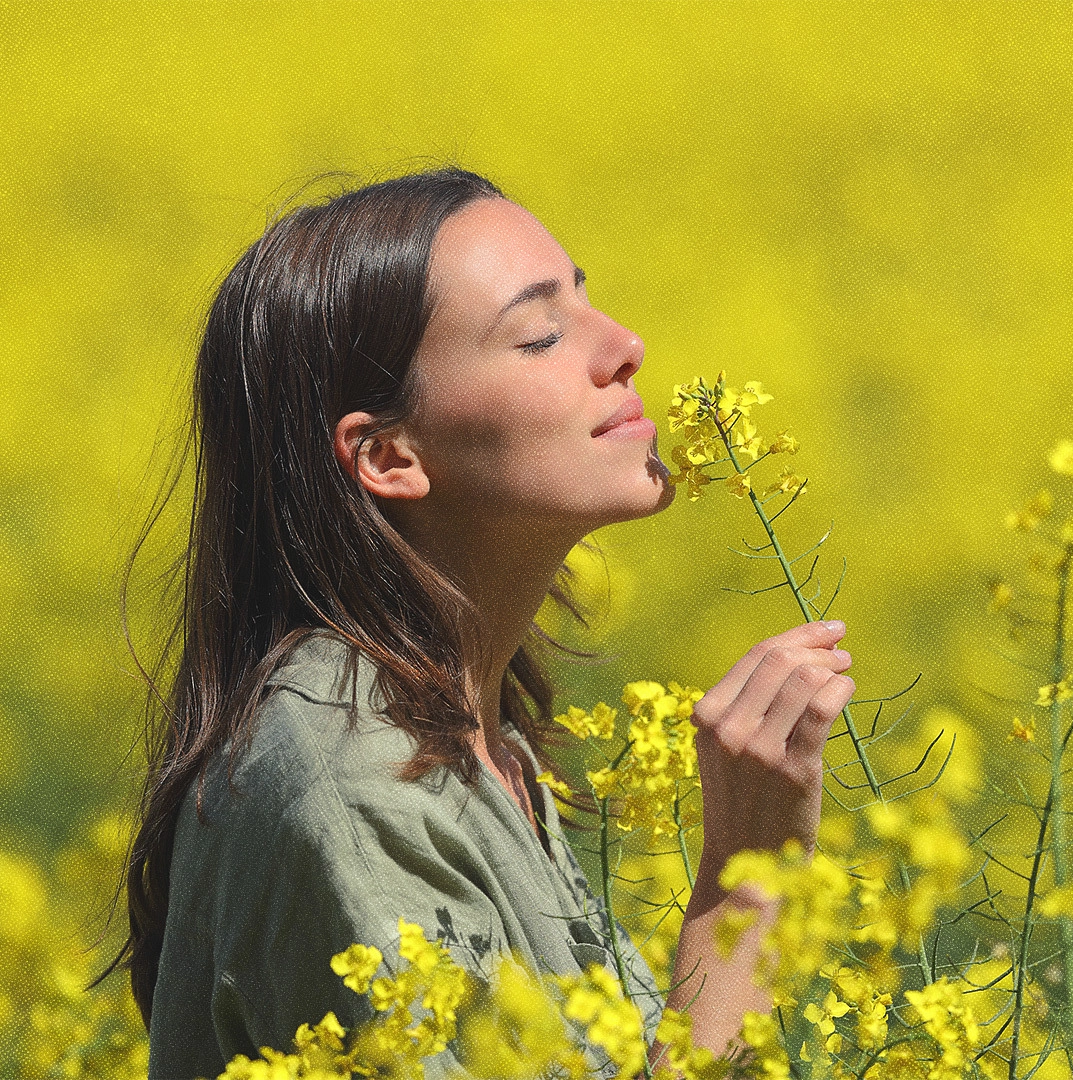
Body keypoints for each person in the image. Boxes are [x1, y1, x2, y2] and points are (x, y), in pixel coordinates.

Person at [108, 167, 855, 1078]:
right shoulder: (347, 783)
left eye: (586, 301)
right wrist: (749, 883)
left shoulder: (467, 736)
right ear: (388, 456)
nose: (625, 346)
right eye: (540, 336)